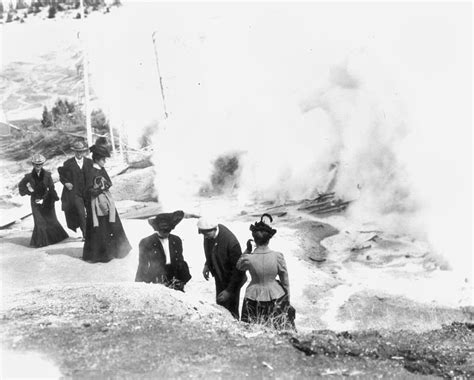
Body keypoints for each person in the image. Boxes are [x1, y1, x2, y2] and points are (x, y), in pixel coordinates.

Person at [237, 214, 295, 330]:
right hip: (276, 294)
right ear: (269, 240)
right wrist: (287, 300)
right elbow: (285, 280)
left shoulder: (248, 258)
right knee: (279, 328)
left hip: (253, 295)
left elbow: (239, 266)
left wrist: (248, 250)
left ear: (254, 239)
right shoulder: (277, 256)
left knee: (250, 328)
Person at [82, 142, 131, 262]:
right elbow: (87, 190)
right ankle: (101, 254)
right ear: (97, 159)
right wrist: (99, 188)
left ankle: (117, 250)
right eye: (103, 159)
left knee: (113, 223)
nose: (105, 162)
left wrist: (104, 186)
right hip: (95, 204)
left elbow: (109, 182)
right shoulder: (90, 171)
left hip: (106, 201)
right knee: (100, 227)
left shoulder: (101, 169)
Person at [197, 217, 247, 319]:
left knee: (232, 308)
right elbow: (210, 250)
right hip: (220, 275)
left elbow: (239, 271)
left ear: (214, 229)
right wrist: (207, 264)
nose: (205, 237)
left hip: (233, 280)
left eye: (206, 234)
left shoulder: (232, 243)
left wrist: (229, 291)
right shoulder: (208, 234)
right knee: (221, 304)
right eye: (203, 234)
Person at [18, 154, 68, 248]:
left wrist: (54, 198)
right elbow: (21, 186)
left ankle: (55, 238)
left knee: (51, 220)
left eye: (40, 164)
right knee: (39, 222)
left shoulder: (48, 175)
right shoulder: (28, 176)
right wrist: (29, 191)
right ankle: (42, 242)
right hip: (35, 201)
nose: (38, 166)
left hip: (47, 200)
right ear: (33, 164)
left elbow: (52, 188)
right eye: (36, 164)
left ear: (43, 164)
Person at [135, 210, 191, 291]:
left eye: (168, 230)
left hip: (175, 274)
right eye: (163, 231)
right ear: (157, 229)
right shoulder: (146, 242)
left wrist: (182, 278)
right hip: (157, 276)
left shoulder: (176, 240)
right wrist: (138, 284)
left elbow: (180, 260)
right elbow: (143, 264)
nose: (166, 233)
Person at [58, 140, 93, 240]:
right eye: (77, 151)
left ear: (84, 152)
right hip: (76, 193)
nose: (79, 153)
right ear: (74, 152)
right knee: (81, 213)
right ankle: (85, 236)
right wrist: (66, 183)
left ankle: (93, 233)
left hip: (88, 192)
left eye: (81, 151)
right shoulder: (68, 163)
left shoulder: (89, 162)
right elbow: (62, 175)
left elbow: (95, 175)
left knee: (91, 212)